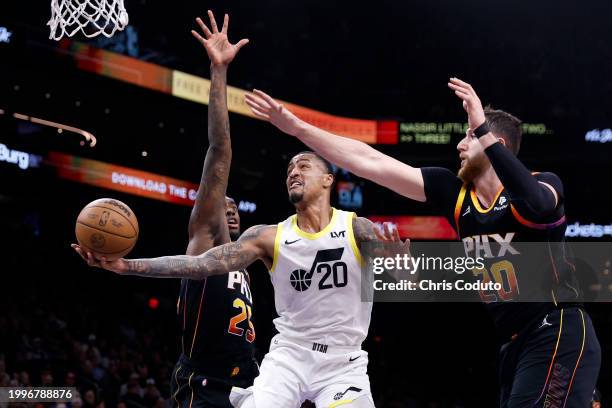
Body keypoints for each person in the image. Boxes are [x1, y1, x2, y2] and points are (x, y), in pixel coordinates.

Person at [242, 79, 601, 407]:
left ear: (497, 145)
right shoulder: (455, 194)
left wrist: (482, 126)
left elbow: (537, 204)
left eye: (470, 137)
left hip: (557, 328)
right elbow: (370, 162)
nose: (460, 144)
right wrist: (297, 128)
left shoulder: (545, 183)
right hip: (512, 343)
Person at [75, 149, 408, 407]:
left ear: (327, 180)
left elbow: (411, 280)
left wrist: (404, 267)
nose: (294, 171)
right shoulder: (267, 236)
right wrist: (127, 267)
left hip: (342, 360)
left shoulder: (357, 227)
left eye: (304, 165)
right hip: (289, 356)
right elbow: (200, 265)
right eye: (290, 168)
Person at [74, 11, 255, 408]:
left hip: (253, 382)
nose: (228, 208)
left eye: (234, 205)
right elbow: (220, 149)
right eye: (220, 201)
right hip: (207, 385)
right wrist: (219, 72)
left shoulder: (244, 257)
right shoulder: (207, 236)